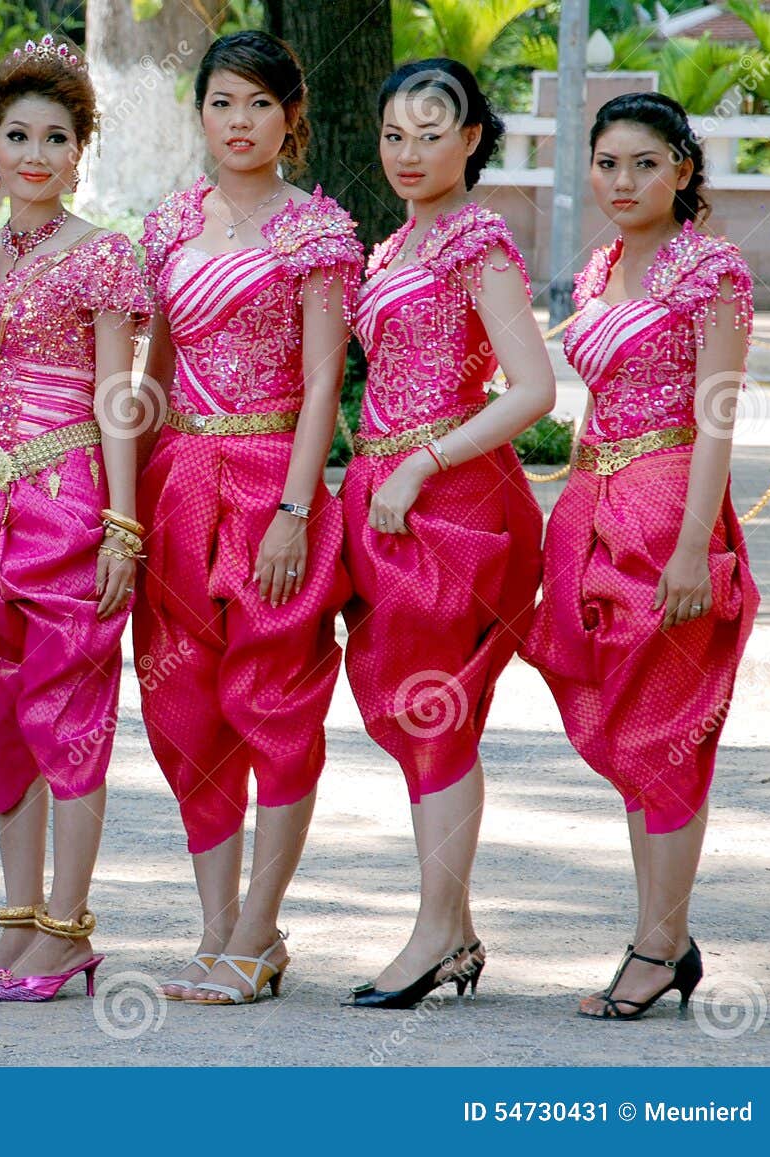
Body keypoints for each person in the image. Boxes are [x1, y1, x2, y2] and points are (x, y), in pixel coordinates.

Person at [133, 31, 356, 1005]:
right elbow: (149, 376)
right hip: (178, 480)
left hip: (274, 480)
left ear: (289, 118)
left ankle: (260, 927)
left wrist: (295, 510)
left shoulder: (315, 233)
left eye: (258, 104)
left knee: (276, 701)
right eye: (221, 102)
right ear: (201, 112)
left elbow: (320, 385)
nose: (238, 122)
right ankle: (217, 924)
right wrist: (120, 504)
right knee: (186, 709)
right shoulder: (171, 223)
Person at [523, 93, 757, 1020]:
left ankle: (659, 943)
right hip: (595, 507)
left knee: (668, 728)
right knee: (626, 726)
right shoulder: (599, 268)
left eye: (645, 164)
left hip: (671, 516)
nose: (623, 183)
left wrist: (697, 545)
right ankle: (661, 934)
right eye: (607, 163)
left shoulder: (713, 272)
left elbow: (718, 416)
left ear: (684, 171)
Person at [341, 59, 553, 1009]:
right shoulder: (389, 249)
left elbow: (535, 390)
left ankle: (433, 933)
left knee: (437, 711)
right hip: (385, 495)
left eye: (433, 133)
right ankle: (452, 925)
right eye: (395, 135)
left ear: (473, 139)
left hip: (450, 500)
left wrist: (424, 463)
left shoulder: (479, 243)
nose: (410, 153)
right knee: (412, 710)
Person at [0, 35, 149, 1003]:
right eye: (16, 133)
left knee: (66, 714)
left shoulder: (104, 254)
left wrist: (122, 524)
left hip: (65, 498)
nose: (34, 152)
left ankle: (68, 930)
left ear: (79, 151)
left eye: (55, 136)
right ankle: (18, 920)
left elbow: (118, 395)